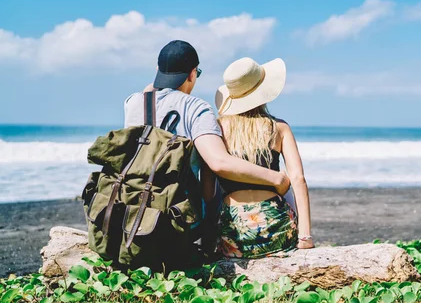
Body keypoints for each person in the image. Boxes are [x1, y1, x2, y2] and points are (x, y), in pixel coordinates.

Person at [123, 40, 291, 251]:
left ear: (157, 70)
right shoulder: (196, 107)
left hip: (138, 210)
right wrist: (276, 177)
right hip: (181, 219)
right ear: (192, 74)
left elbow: (149, 90)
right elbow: (219, 162)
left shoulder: (132, 103)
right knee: (217, 174)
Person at [205, 57, 313, 259]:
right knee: (286, 186)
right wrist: (305, 237)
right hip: (276, 228)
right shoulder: (278, 127)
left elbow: (208, 192)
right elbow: (298, 179)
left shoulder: (217, 129)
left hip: (235, 234)